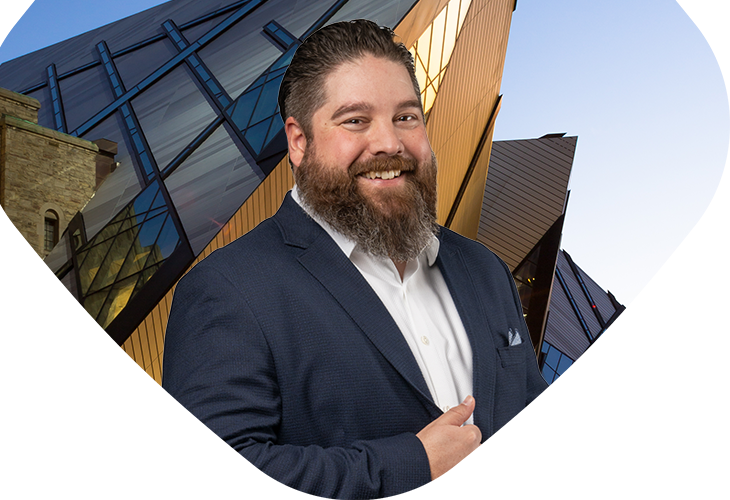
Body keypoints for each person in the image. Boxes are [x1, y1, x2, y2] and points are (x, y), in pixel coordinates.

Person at [162, 19, 547, 499]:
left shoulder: (484, 269)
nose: (389, 143)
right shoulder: (228, 289)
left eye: (406, 117)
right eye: (355, 120)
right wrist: (412, 465)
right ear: (299, 142)